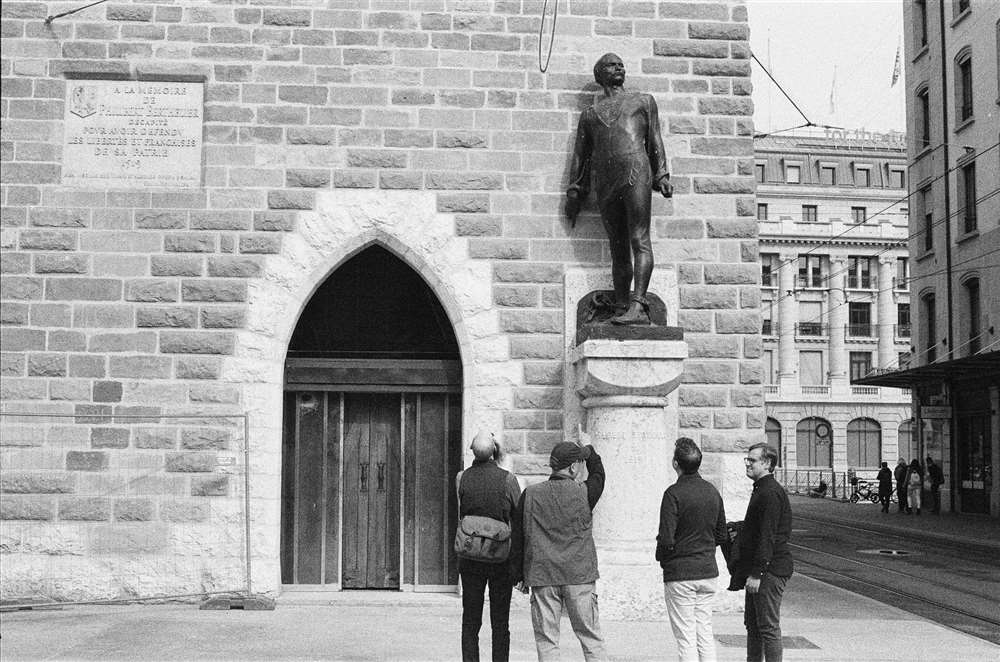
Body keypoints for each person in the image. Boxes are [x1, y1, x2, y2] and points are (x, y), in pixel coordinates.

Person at [565, 52, 673, 325]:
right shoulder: (589, 115)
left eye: (621, 64)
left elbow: (655, 139)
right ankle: (622, 304)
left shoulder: (643, 101)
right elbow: (581, 155)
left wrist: (661, 174)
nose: (619, 68)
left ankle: (638, 304)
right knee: (617, 248)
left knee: (640, 238)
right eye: (612, 65)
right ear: (600, 74)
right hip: (606, 181)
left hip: (636, 171)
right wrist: (575, 190)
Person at [514, 441, 607, 661]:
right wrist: (591, 451)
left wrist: (518, 575)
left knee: (547, 640)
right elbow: (599, 476)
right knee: (591, 638)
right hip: (579, 575)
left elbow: (518, 536)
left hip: (543, 575)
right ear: (574, 467)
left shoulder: (530, 494)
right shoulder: (584, 492)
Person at [656, 438, 729, 662]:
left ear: (675, 463)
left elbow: (667, 538)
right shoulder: (712, 492)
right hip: (707, 570)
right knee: (704, 631)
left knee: (686, 636)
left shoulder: (673, 494)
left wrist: (664, 559)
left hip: (680, 573)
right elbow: (722, 534)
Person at [456, 430, 522, 662]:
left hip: (471, 555)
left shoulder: (461, 477)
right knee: (500, 621)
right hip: (499, 557)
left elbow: (461, 511)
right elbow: (518, 514)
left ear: (473, 451)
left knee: (471, 619)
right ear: (495, 450)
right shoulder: (508, 479)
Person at [735, 443, 793, 662]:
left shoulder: (769, 492)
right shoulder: (762, 489)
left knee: (767, 627)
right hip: (762, 568)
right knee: (753, 624)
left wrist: (757, 573)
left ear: (767, 463)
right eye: (747, 460)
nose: (748, 464)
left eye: (752, 460)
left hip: (769, 570)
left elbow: (767, 536)